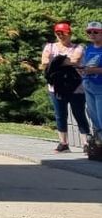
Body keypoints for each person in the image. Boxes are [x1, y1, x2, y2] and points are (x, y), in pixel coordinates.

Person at [43, 22, 89, 151]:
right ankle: (63, 143)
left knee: (79, 114)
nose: (61, 36)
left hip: (75, 86)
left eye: (64, 33)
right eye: (58, 33)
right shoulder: (50, 46)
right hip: (56, 87)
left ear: (70, 34)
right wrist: (63, 61)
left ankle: (86, 143)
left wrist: (56, 61)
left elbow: (75, 60)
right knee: (60, 115)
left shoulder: (78, 47)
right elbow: (44, 62)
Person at [81, 20, 102, 146]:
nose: (92, 34)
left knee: (101, 117)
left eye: (96, 32)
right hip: (88, 84)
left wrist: (95, 70)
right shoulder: (88, 48)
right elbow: (85, 65)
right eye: (89, 32)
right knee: (93, 117)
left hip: (100, 86)